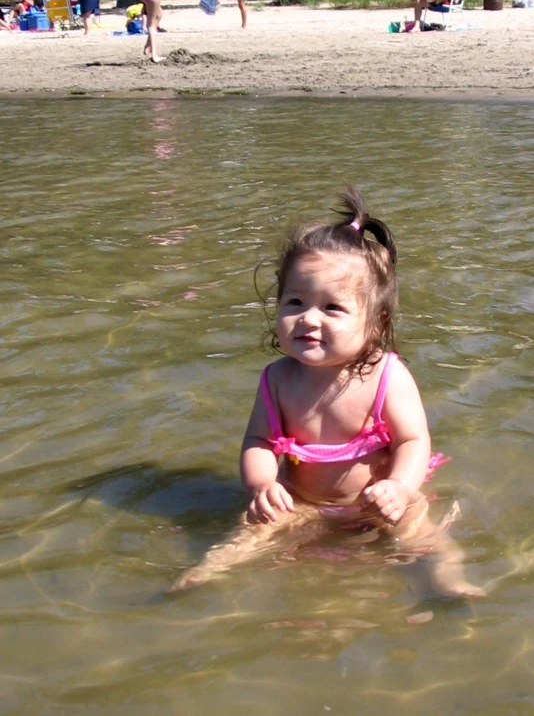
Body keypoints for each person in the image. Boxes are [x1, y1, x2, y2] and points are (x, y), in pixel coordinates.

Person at [171, 187, 485, 598]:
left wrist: (400, 488)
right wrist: (263, 486)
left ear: (376, 322)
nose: (308, 319)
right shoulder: (277, 379)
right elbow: (258, 441)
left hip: (381, 501)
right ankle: (207, 571)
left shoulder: (387, 375)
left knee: (421, 535)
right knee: (251, 531)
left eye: (332, 308)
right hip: (302, 502)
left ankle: (448, 581)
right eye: (295, 302)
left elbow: (413, 440)